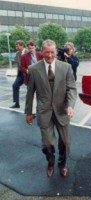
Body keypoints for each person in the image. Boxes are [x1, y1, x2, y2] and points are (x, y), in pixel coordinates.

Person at [25, 39, 77, 178]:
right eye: (46, 52)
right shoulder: (33, 69)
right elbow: (30, 93)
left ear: (56, 52)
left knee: (65, 143)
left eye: (52, 52)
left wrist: (71, 105)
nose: (49, 55)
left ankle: (63, 164)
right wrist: (28, 112)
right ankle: (50, 162)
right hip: (44, 111)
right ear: (41, 52)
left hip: (62, 110)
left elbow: (72, 89)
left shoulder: (66, 68)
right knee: (47, 143)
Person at [10, 40, 28, 108]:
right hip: (20, 74)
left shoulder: (28, 52)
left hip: (27, 74)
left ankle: (31, 107)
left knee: (30, 90)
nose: (16, 47)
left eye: (17, 46)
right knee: (15, 86)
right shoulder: (17, 53)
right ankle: (17, 103)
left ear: (22, 45)